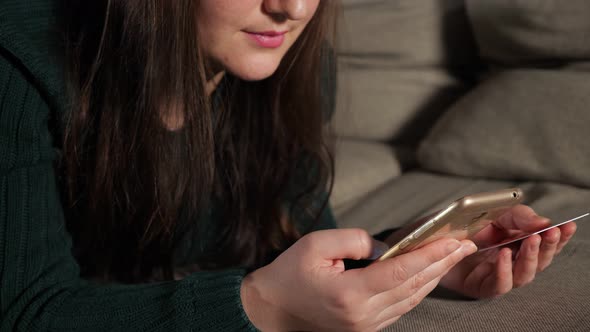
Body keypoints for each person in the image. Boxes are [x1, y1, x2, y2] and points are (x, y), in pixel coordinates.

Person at [0, 0, 577, 331]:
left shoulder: (278, 60)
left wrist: (415, 259)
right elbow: (26, 311)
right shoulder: (18, 66)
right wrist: (261, 307)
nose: (293, 8)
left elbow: (289, 241)